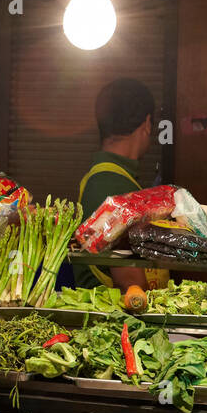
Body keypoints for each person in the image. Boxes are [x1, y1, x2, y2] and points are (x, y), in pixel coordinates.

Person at [77, 78, 165, 291]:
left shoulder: (108, 176)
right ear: (147, 124)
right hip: (112, 317)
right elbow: (130, 283)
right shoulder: (112, 184)